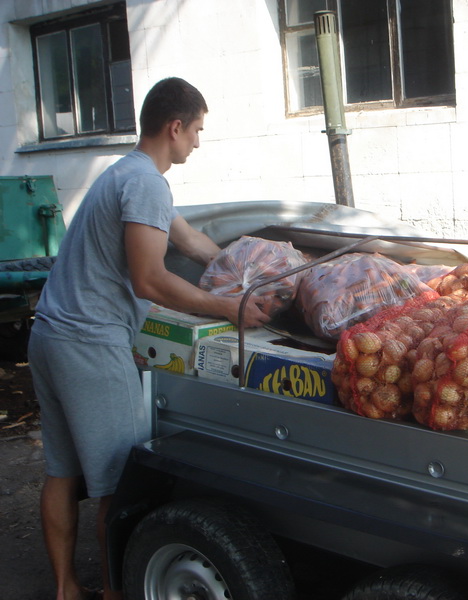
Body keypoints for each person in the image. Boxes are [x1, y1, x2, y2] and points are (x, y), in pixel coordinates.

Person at [27, 77, 270, 600]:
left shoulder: (128, 174)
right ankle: (119, 590)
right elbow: (150, 280)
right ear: (174, 127)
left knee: (63, 473)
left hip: (49, 335)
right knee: (122, 482)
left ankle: (67, 588)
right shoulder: (145, 184)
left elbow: (191, 241)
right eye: (198, 130)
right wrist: (230, 307)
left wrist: (249, 267)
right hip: (89, 344)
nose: (199, 143)